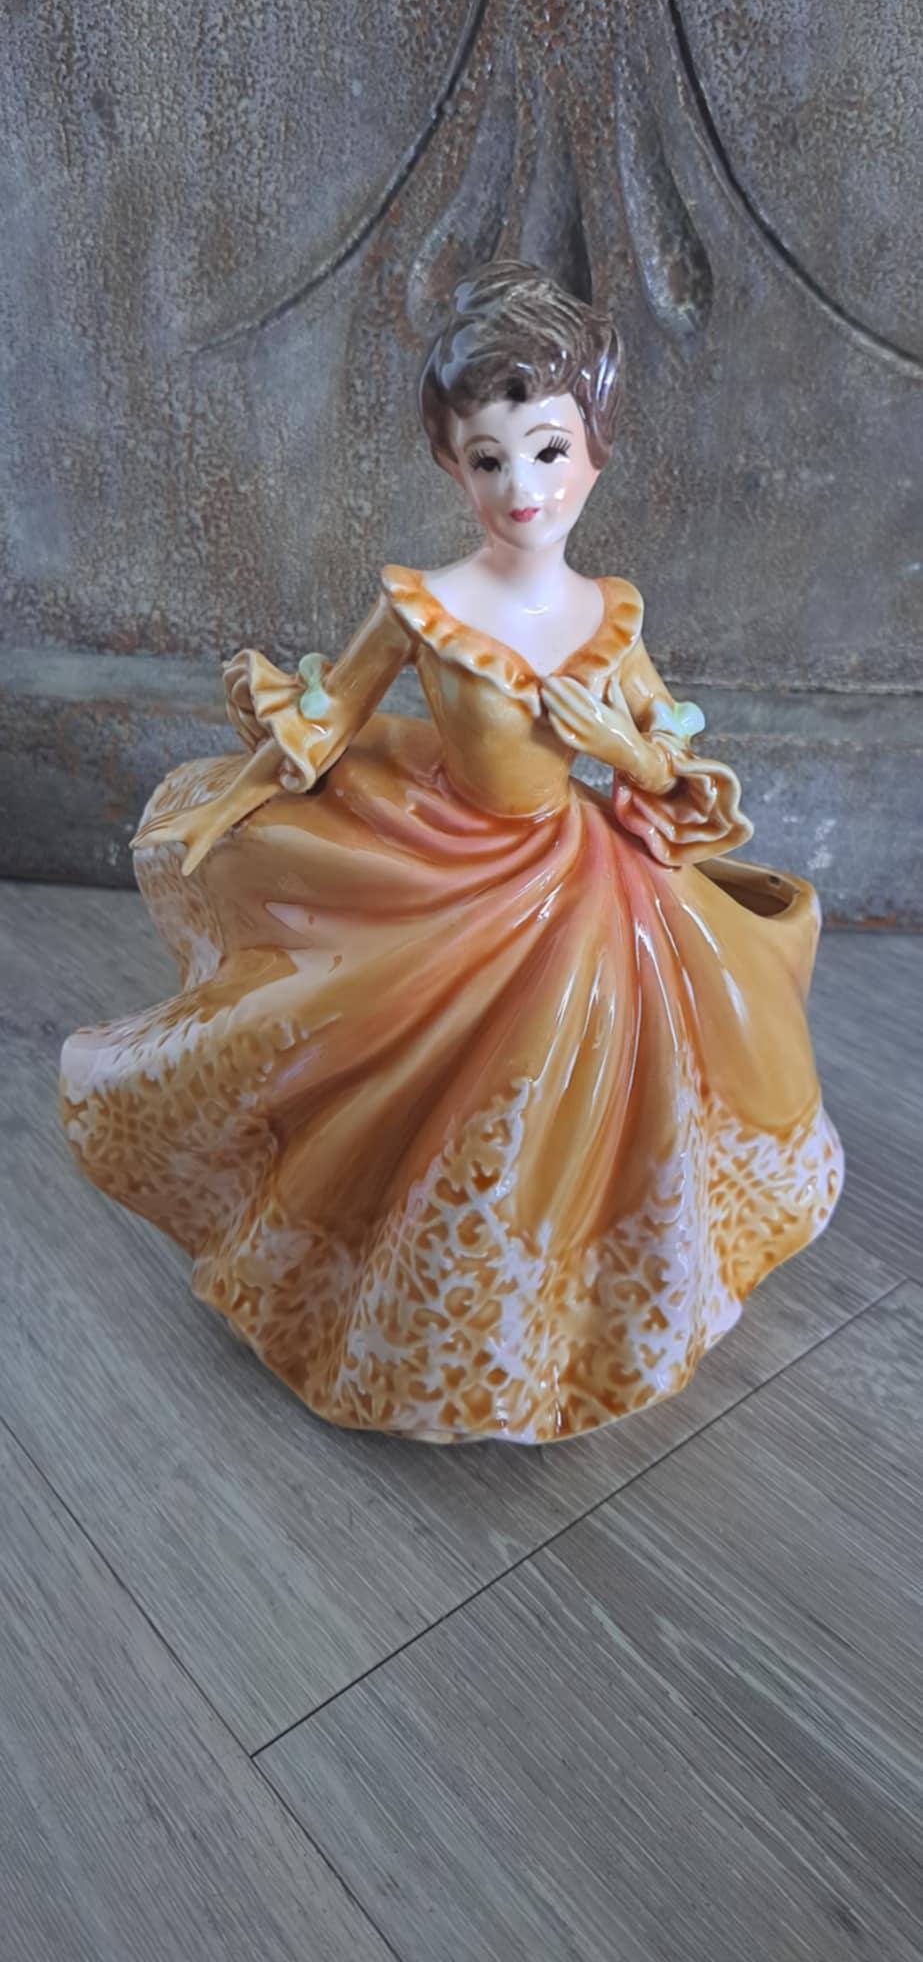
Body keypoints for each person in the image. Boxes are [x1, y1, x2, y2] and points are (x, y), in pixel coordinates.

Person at [58, 260, 843, 1444]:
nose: (521, 488)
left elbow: (672, 760)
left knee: (614, 1039)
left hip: (571, 873)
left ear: (595, 451)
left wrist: (617, 749)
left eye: (546, 450)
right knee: (354, 1041)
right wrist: (267, 756)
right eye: (488, 458)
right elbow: (330, 713)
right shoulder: (422, 604)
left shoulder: (608, 616)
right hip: (436, 856)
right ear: (450, 462)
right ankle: (386, 1282)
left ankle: (552, 1313)